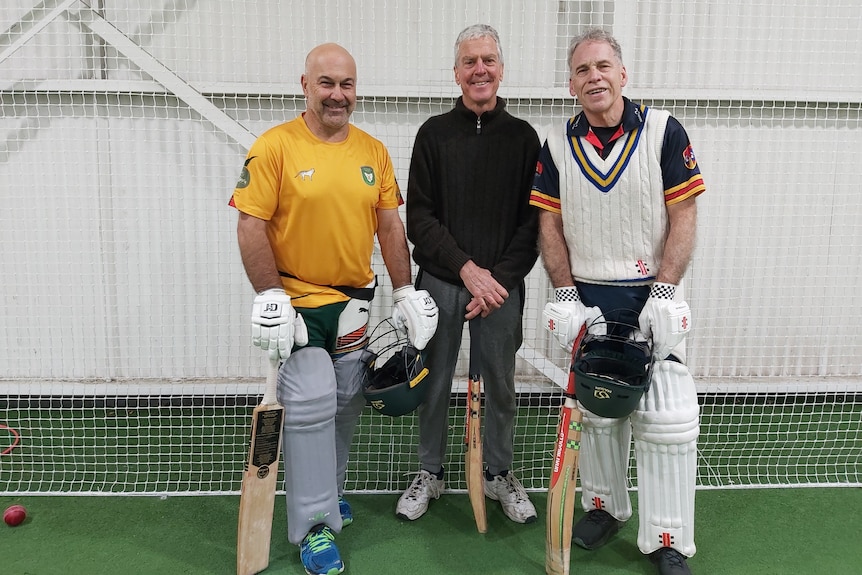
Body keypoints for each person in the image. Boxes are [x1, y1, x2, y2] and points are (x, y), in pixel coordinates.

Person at [230, 43, 438, 575]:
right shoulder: (274, 147)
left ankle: (327, 495)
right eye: (326, 83)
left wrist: (405, 289)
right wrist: (270, 295)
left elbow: (390, 226)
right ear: (305, 85)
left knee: (345, 401)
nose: (337, 94)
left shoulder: (373, 151)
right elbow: (251, 225)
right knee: (312, 403)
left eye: (346, 84)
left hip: (355, 303)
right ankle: (313, 527)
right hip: (297, 304)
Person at [530, 28, 704, 575]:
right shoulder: (558, 146)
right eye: (582, 70)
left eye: (603, 67)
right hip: (591, 302)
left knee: (667, 420)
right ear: (571, 83)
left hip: (652, 296)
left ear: (622, 74)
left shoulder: (662, 132)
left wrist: (668, 286)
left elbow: (685, 215)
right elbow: (548, 222)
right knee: (599, 417)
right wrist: (563, 290)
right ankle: (604, 508)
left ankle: (667, 538)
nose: (594, 77)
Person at [397, 24, 541, 525]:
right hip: (441, 282)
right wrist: (467, 270)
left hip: (501, 288)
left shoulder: (525, 139)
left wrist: (494, 279)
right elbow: (420, 219)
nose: (479, 69)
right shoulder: (433, 134)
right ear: (455, 72)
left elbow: (533, 223)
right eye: (469, 61)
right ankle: (430, 473)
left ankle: (498, 474)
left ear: (501, 70)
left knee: (499, 383)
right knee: (432, 382)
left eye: (488, 60)